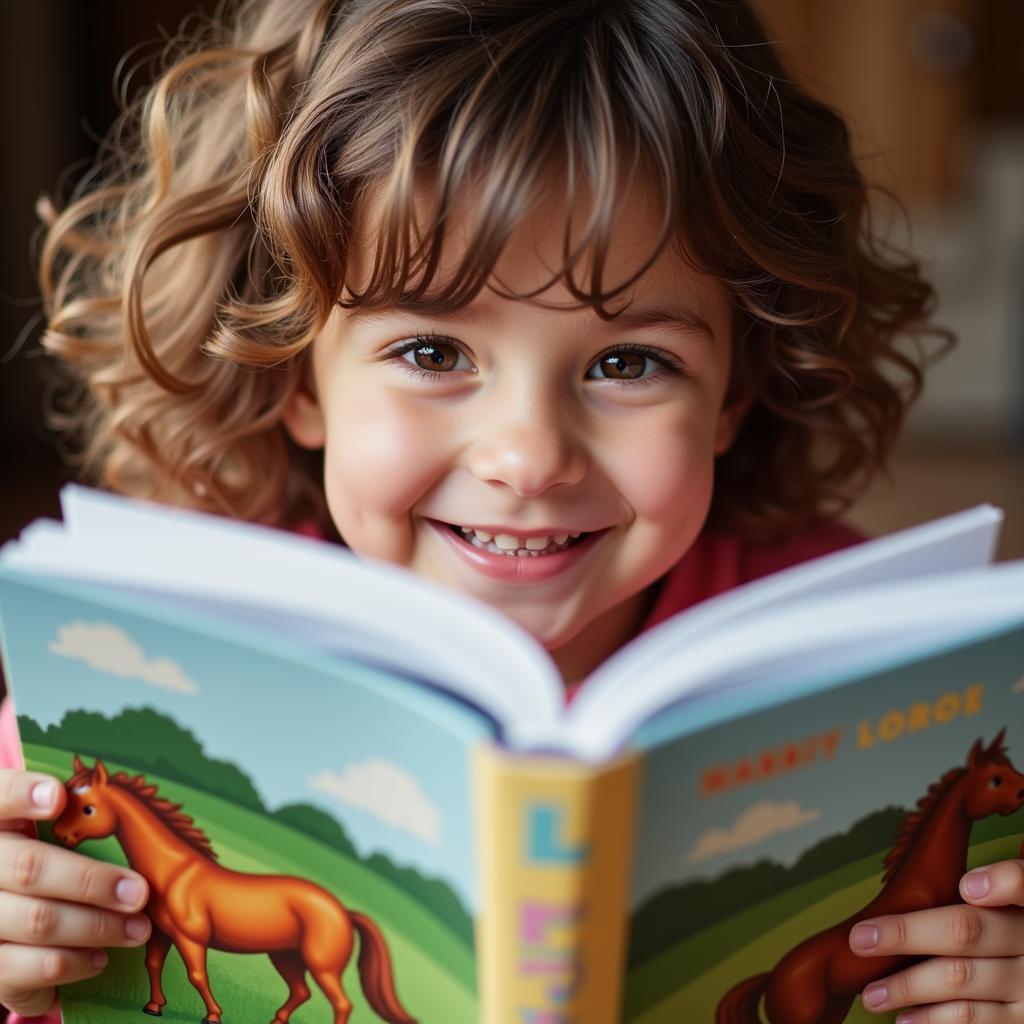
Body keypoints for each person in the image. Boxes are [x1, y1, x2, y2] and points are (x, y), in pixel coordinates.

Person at [2, 0, 1021, 1021]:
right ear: (295, 375)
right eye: (433, 354)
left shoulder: (872, 650)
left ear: (734, 393)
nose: (528, 457)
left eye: (629, 363)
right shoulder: (145, 656)